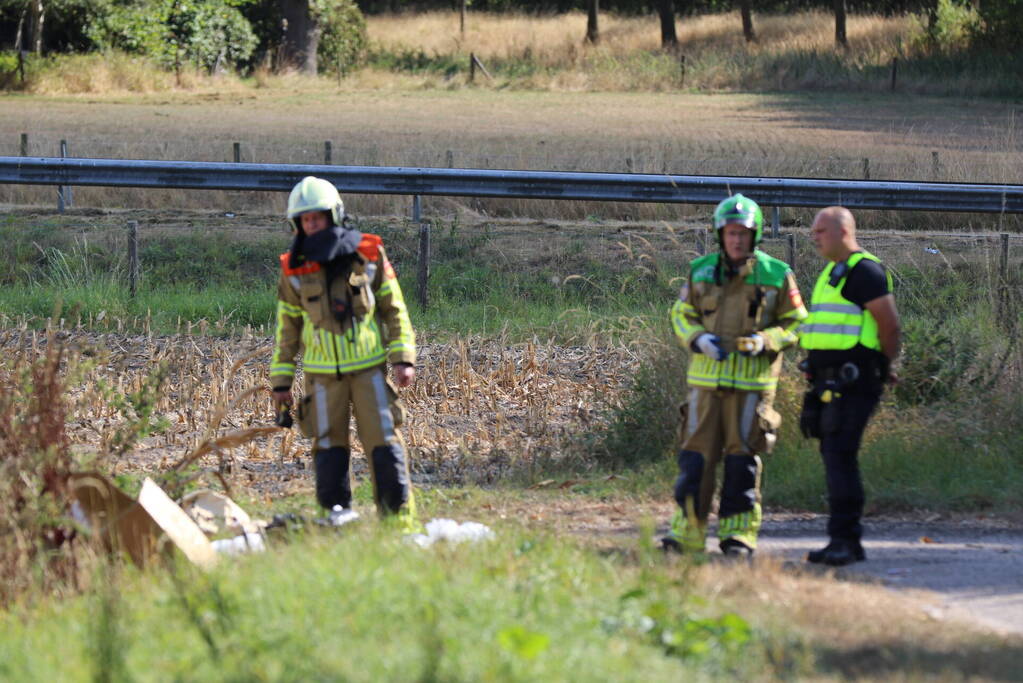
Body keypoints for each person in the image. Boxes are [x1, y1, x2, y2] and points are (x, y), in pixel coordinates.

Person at [270, 176, 419, 531]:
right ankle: (336, 524)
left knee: (384, 446)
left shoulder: (368, 253)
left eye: (317, 218)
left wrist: (403, 359)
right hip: (321, 379)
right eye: (305, 220)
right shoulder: (293, 267)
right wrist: (281, 382)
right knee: (328, 451)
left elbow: (393, 307)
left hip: (369, 373)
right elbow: (287, 329)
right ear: (297, 225)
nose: (312, 225)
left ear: (334, 216)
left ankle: (398, 525)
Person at [663, 194, 808, 557]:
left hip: (752, 390)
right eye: (730, 232)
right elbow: (681, 314)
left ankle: (738, 537)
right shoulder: (700, 270)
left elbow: (797, 323)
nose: (736, 239)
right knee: (695, 461)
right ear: (720, 234)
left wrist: (766, 340)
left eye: (743, 233)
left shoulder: (777, 274)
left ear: (755, 234)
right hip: (704, 387)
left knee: (742, 465)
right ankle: (687, 534)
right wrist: (699, 339)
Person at [799, 206, 901, 566]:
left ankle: (847, 541)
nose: (814, 237)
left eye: (820, 231)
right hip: (829, 381)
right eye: (813, 231)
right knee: (833, 455)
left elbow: (889, 326)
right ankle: (840, 540)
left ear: (843, 232)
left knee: (841, 456)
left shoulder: (865, 271)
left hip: (855, 382)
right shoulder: (832, 272)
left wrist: (883, 365)